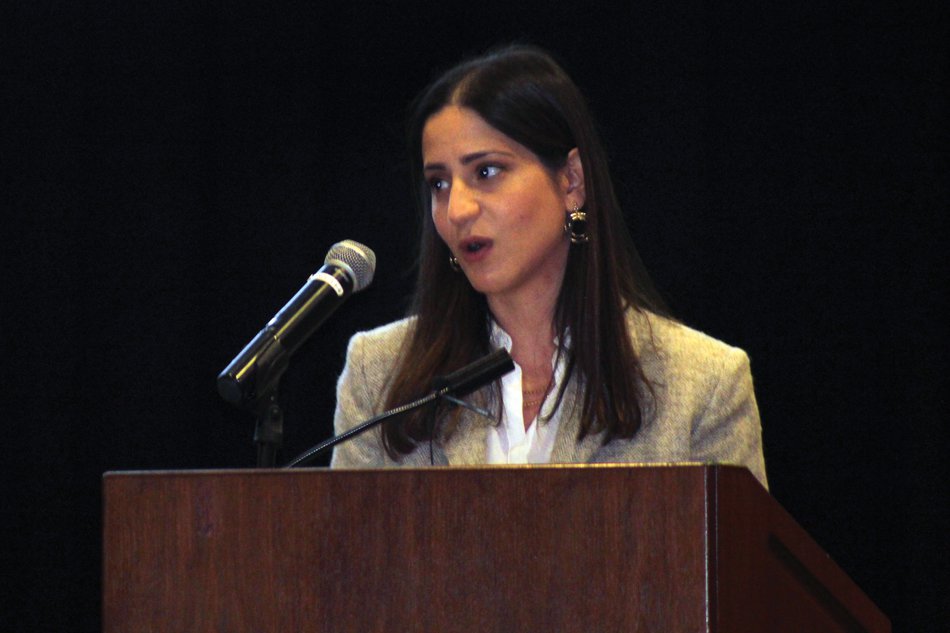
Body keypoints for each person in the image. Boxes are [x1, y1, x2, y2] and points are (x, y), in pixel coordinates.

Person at [329, 45, 767, 489]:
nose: (456, 209)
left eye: (486, 172)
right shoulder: (378, 375)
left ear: (571, 181)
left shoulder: (704, 385)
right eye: (439, 183)